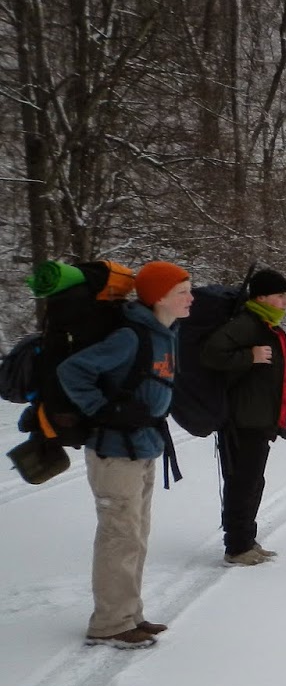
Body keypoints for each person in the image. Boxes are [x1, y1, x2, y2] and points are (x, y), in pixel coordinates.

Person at [57, 261, 192, 649]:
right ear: (159, 297)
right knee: (119, 535)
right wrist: (105, 411)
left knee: (135, 535)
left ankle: (129, 613)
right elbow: (73, 371)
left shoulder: (167, 333)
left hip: (143, 447)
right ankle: (110, 623)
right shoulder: (131, 337)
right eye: (183, 291)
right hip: (114, 452)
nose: (190, 298)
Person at [202, 267, 286, 566]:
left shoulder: (265, 325)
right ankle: (236, 547)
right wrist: (248, 357)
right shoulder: (247, 324)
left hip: (259, 419)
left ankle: (246, 538)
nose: (285, 302)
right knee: (243, 481)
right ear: (262, 297)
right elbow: (211, 354)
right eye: (280, 296)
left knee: (253, 481)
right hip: (243, 420)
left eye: (285, 296)